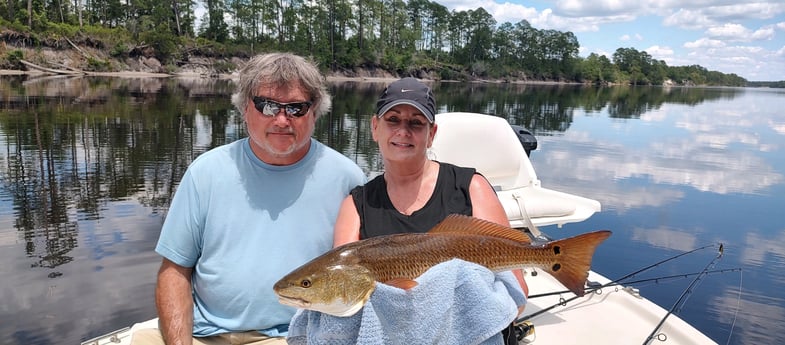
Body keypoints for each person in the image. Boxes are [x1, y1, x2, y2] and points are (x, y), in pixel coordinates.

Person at [131, 53, 367, 345]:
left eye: (296, 108)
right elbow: (174, 271)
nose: (281, 120)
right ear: (244, 107)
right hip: (202, 333)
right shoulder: (206, 172)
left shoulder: (348, 178)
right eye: (267, 106)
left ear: (315, 111)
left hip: (292, 335)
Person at [330, 77, 528, 344]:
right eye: (393, 119)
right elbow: (346, 296)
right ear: (375, 127)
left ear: (431, 134)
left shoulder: (471, 188)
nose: (403, 131)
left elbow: (516, 295)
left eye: (416, 123)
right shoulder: (356, 205)